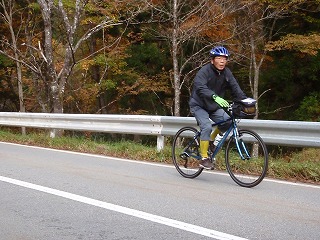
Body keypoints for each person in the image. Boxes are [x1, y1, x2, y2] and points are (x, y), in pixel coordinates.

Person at [189, 46, 247, 170]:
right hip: (199, 105)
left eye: (224, 59)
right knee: (206, 126)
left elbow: (235, 88)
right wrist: (215, 96)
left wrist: (245, 101)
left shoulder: (227, 73)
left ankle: (212, 142)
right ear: (212, 60)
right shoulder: (204, 72)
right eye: (219, 58)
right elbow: (200, 88)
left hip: (213, 106)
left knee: (227, 122)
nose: (222, 61)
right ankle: (204, 158)